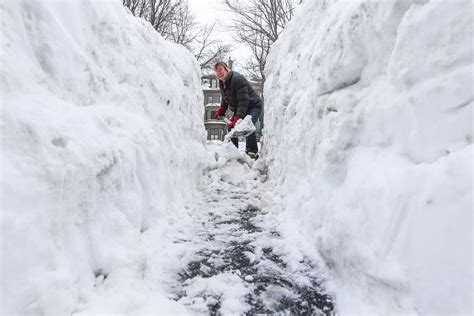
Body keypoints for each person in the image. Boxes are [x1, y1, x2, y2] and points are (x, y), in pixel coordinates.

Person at [214, 61, 262, 159]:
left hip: (253, 106)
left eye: (220, 70)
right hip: (240, 108)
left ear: (227, 69)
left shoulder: (237, 79)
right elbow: (225, 97)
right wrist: (222, 110)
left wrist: (238, 117)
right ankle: (233, 152)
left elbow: (243, 100)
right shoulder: (222, 82)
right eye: (216, 71)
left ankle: (252, 152)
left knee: (248, 125)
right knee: (231, 127)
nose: (218, 73)